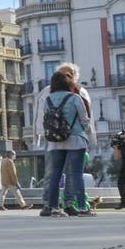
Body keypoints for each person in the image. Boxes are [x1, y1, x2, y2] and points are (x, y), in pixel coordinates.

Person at [40, 69, 91, 217]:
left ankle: (54, 207)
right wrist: (85, 131)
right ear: (69, 83)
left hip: (55, 142)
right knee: (76, 174)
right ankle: (82, 207)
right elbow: (84, 120)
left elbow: (46, 120)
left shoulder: (48, 100)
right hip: (76, 140)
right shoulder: (75, 98)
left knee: (55, 174)